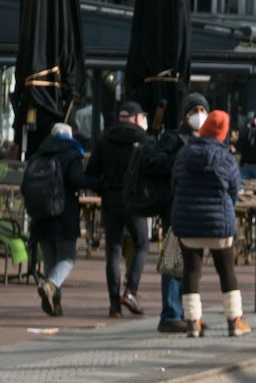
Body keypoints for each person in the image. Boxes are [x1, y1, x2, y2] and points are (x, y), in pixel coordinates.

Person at [170, 108, 249, 338]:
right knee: (226, 271)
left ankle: (193, 322)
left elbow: (174, 185)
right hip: (218, 224)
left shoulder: (184, 154)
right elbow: (234, 188)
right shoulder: (225, 157)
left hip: (187, 221)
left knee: (191, 272)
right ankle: (234, 320)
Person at [144, 93, 209, 333]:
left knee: (191, 265)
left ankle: (188, 314)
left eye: (203, 109)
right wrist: (179, 160)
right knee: (174, 261)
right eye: (194, 110)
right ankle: (171, 314)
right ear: (185, 114)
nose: (199, 115)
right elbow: (151, 162)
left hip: (197, 209)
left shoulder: (207, 138)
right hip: (176, 208)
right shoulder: (174, 138)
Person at [86, 100, 149, 319]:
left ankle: (114, 305)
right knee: (142, 243)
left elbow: (91, 173)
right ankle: (130, 290)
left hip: (110, 199)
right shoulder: (143, 139)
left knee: (112, 249)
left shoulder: (105, 139)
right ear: (135, 117)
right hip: (134, 200)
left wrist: (103, 186)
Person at [24, 121, 88, 317]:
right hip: (64, 214)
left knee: (50, 260)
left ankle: (55, 304)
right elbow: (77, 180)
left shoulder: (37, 155)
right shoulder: (73, 154)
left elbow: (24, 186)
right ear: (69, 136)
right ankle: (51, 286)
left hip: (39, 214)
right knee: (67, 258)